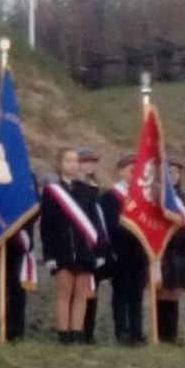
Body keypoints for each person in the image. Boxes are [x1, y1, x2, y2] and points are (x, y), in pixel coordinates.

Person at [40, 147, 106, 344]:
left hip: (85, 249)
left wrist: (99, 250)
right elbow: (47, 226)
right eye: (68, 161)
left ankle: (77, 332)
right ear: (60, 164)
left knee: (81, 293)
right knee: (64, 292)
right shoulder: (52, 192)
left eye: (76, 161)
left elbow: (96, 223)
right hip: (62, 249)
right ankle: (64, 333)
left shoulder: (88, 191)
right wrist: (49, 255)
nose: (73, 165)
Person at [101, 153, 146, 345]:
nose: (133, 175)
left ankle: (136, 331)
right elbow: (111, 224)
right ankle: (122, 331)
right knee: (121, 293)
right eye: (130, 171)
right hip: (120, 252)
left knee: (137, 294)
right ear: (121, 172)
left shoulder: (144, 197)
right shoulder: (111, 197)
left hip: (140, 252)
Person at [0, 174, 39, 343]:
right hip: (0, 239)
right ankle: (1, 331)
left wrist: (19, 221)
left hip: (22, 238)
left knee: (19, 288)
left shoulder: (27, 175)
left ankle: (18, 332)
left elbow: (35, 207)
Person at [158, 157, 185, 343]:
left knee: (174, 292)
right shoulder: (158, 198)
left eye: (176, 172)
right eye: (169, 172)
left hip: (180, 251)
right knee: (161, 291)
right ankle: (160, 333)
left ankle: (170, 335)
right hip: (162, 250)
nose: (173, 176)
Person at [77, 146, 108, 343]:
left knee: (92, 290)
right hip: (80, 245)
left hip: (95, 245)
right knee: (79, 291)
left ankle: (89, 332)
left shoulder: (96, 189)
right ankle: (76, 330)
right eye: (86, 161)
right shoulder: (76, 189)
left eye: (93, 162)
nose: (90, 165)